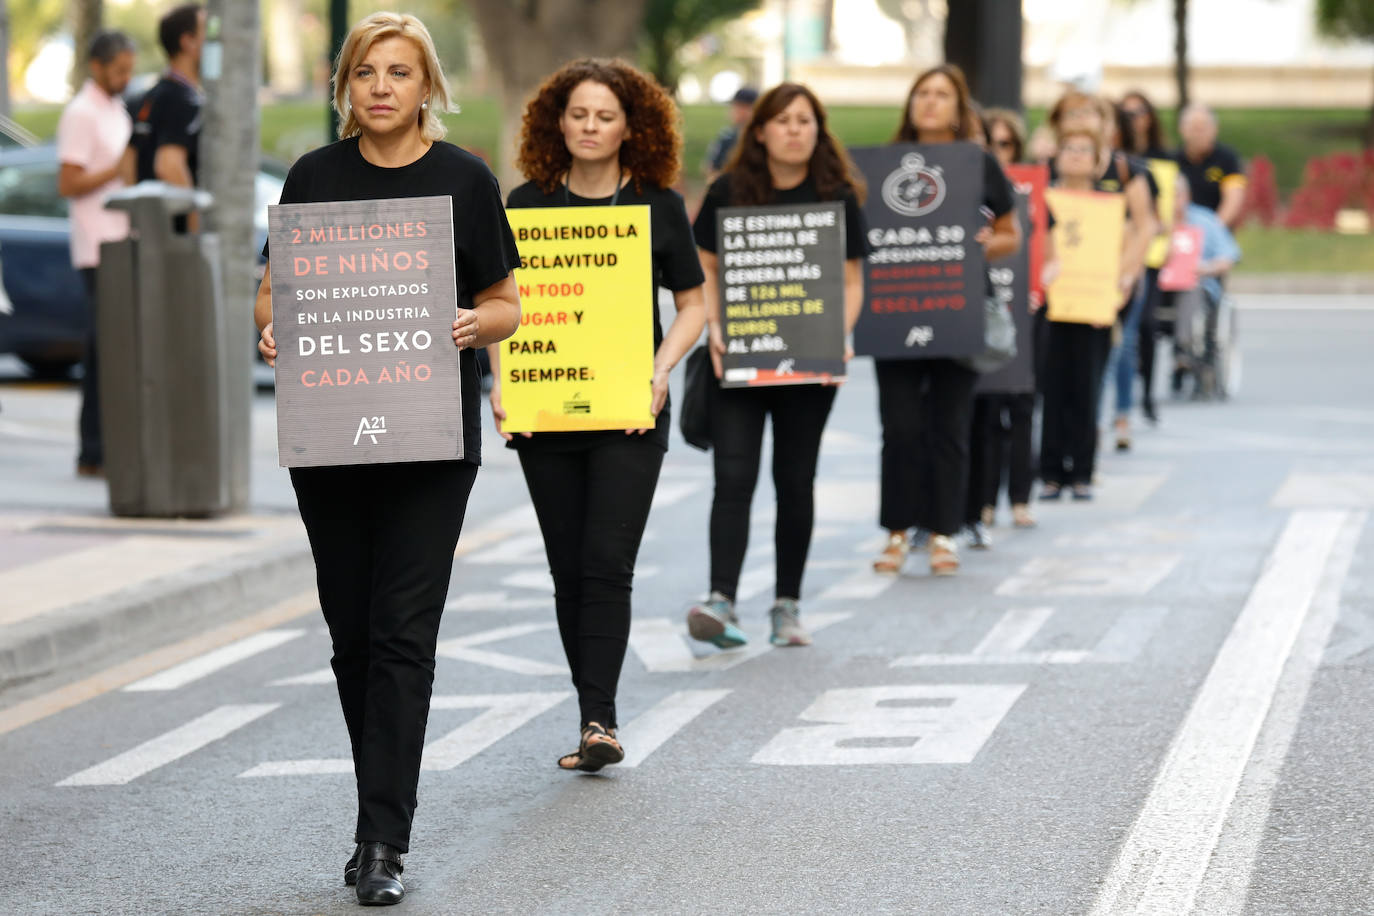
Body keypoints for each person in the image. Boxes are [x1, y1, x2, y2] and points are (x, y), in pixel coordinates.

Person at [253, 12, 521, 906]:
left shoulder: (465, 180)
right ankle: (380, 808)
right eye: (367, 71)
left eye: (400, 72)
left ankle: (381, 840)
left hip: (430, 441)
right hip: (331, 440)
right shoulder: (312, 177)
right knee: (354, 637)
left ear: (427, 87)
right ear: (345, 85)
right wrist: (272, 329)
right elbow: (271, 292)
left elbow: (507, 302)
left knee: (404, 633)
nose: (382, 87)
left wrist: (474, 323)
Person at [492, 58, 706, 772]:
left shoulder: (657, 205)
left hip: (629, 412)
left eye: (605, 116)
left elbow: (693, 305)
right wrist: (504, 384)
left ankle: (599, 720)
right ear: (556, 122)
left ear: (629, 128)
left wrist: (661, 368)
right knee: (568, 570)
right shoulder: (525, 205)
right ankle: (591, 710)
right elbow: (500, 303)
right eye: (578, 114)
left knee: (607, 565)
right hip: (545, 412)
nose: (590, 127)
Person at [686, 82, 869, 647]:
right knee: (733, 477)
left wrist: (838, 334)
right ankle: (721, 600)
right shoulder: (728, 191)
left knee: (795, 480)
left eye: (805, 120)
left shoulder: (837, 195)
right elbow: (704, 267)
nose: (795, 130)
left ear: (818, 131)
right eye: (783, 120)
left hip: (810, 362)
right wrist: (715, 326)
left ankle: (786, 605)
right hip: (740, 356)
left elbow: (853, 281)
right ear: (760, 130)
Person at [872, 65, 1020, 576]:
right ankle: (896, 531)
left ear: (959, 108)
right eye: (922, 93)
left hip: (956, 307)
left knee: (950, 425)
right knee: (899, 426)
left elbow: (1011, 234)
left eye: (941, 94)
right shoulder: (881, 164)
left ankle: (944, 532)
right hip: (894, 308)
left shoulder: (978, 163)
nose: (930, 102)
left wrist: (986, 244)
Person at [1037, 128, 1135, 500]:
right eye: (1069, 148)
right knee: (1052, 391)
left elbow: (1123, 253)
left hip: (1094, 307)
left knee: (1087, 390)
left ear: (1098, 162)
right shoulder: (1043, 199)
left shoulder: (1111, 206)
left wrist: (1113, 295)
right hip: (1051, 306)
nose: (1076, 155)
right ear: (1056, 156)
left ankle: (1082, 471)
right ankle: (1050, 472)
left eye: (1084, 150)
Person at [56, 30, 136, 478]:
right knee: (103, 353)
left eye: (129, 70)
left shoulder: (116, 109)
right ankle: (92, 451)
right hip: (96, 246)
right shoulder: (82, 113)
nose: (126, 77)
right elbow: (68, 182)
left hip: (122, 242)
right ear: (97, 66)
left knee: (117, 352)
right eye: (119, 70)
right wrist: (115, 170)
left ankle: (110, 447)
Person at [965, 107, 1036, 538]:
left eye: (1003, 144)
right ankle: (971, 507)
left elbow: (1019, 238)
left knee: (1012, 407)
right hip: (934, 307)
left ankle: (993, 505)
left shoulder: (1003, 181)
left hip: (993, 306)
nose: (995, 150)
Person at [1120, 90, 1170, 425]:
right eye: (1126, 114)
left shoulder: (1149, 166)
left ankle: (1144, 397)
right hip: (1105, 258)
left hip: (1142, 259)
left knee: (1143, 328)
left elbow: (1157, 220)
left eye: (1139, 112)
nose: (1133, 119)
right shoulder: (1106, 162)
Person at [131, 4, 204, 213]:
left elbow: (127, 160)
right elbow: (169, 166)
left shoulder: (153, 94)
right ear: (188, 41)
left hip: (151, 225)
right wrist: (194, 222)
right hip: (176, 228)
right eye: (208, 32)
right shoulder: (181, 98)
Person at [1175, 104, 1246, 231]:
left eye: (1203, 128)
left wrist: (1212, 230)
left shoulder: (1227, 158)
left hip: (1216, 227)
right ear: (1182, 129)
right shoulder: (1172, 160)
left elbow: (1233, 199)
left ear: (1215, 129)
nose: (1198, 134)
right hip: (1180, 231)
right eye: (1194, 128)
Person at [705, 86, 758, 178]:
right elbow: (710, 168)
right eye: (735, 106)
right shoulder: (726, 136)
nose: (735, 110)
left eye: (742, 107)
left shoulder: (759, 138)